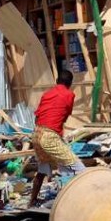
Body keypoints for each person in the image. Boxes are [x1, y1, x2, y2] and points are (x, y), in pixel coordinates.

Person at [29, 69, 85, 207]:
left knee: (42, 169)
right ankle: (79, 199)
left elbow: (38, 116)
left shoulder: (47, 94)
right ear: (70, 83)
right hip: (49, 135)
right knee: (78, 167)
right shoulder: (69, 95)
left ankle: (32, 201)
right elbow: (64, 117)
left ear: (57, 81)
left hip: (37, 134)